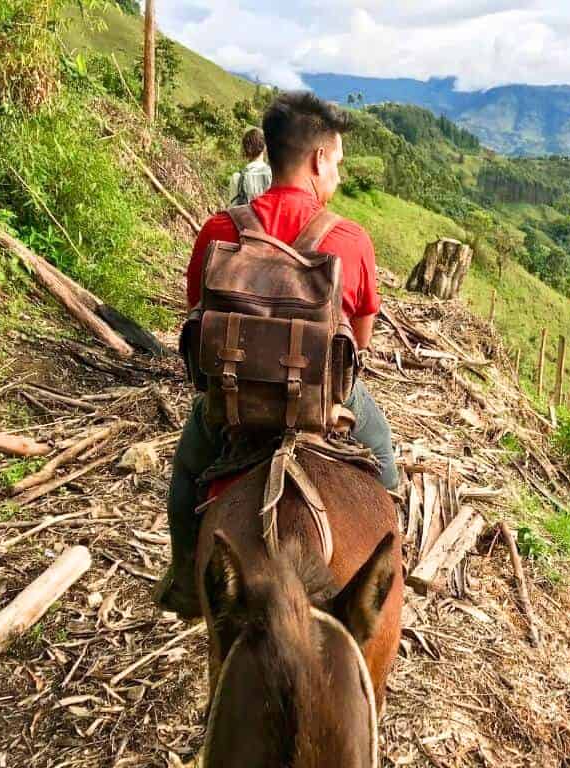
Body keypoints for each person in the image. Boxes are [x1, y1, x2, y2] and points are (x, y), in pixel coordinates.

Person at [155, 91, 399, 618]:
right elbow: (361, 340)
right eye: (337, 159)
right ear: (317, 159)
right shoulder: (350, 239)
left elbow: (196, 311)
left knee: (186, 475)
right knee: (388, 465)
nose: (338, 172)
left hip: (234, 401)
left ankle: (183, 580)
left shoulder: (222, 230)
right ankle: (388, 582)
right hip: (322, 398)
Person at [228, 127, 273, 205]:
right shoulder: (274, 175)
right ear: (264, 148)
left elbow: (233, 210)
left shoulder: (237, 178)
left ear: (245, 149)